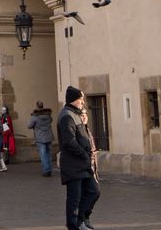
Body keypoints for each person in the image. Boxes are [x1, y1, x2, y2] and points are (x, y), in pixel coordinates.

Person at [59, 86, 100, 230]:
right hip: (73, 164)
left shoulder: (75, 114)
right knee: (74, 198)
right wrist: (83, 153)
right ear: (73, 100)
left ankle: (82, 219)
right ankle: (74, 225)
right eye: (80, 99)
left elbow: (83, 136)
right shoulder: (66, 116)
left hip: (83, 163)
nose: (82, 102)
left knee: (94, 191)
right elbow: (69, 141)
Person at [28, 100, 55, 177]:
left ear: (37, 106)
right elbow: (51, 121)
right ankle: (49, 169)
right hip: (49, 136)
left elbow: (29, 126)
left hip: (40, 137)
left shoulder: (35, 117)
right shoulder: (48, 115)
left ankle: (46, 170)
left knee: (43, 155)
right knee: (48, 154)